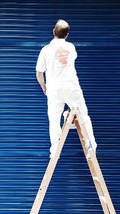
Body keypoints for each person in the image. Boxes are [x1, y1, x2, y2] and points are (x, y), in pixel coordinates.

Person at [36, 19, 97, 159]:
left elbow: (39, 73)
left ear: (53, 32)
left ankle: (55, 150)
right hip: (71, 86)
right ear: (67, 35)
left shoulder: (45, 50)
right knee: (84, 116)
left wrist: (45, 89)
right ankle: (91, 146)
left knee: (54, 119)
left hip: (54, 89)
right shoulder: (71, 47)